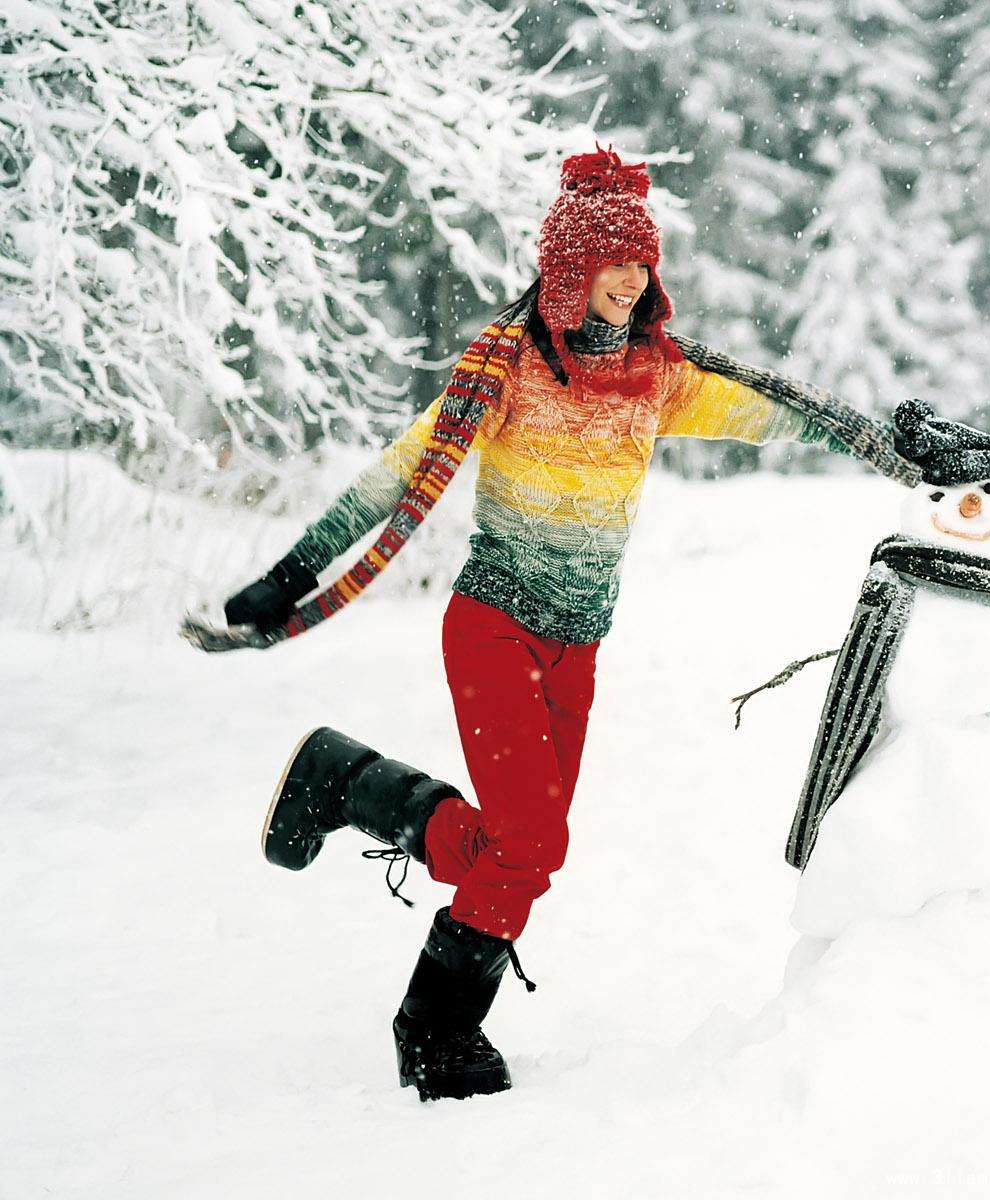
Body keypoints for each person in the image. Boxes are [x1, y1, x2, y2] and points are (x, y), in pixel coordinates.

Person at [189, 147, 913, 1102]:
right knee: (530, 848)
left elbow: (778, 416)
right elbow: (399, 472)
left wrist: (899, 447)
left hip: (579, 647)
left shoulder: (657, 376)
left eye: (642, 261)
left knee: (525, 851)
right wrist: (292, 572)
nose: (634, 279)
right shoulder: (507, 368)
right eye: (616, 260)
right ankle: (436, 1030)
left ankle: (349, 781)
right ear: (572, 266)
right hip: (492, 626)